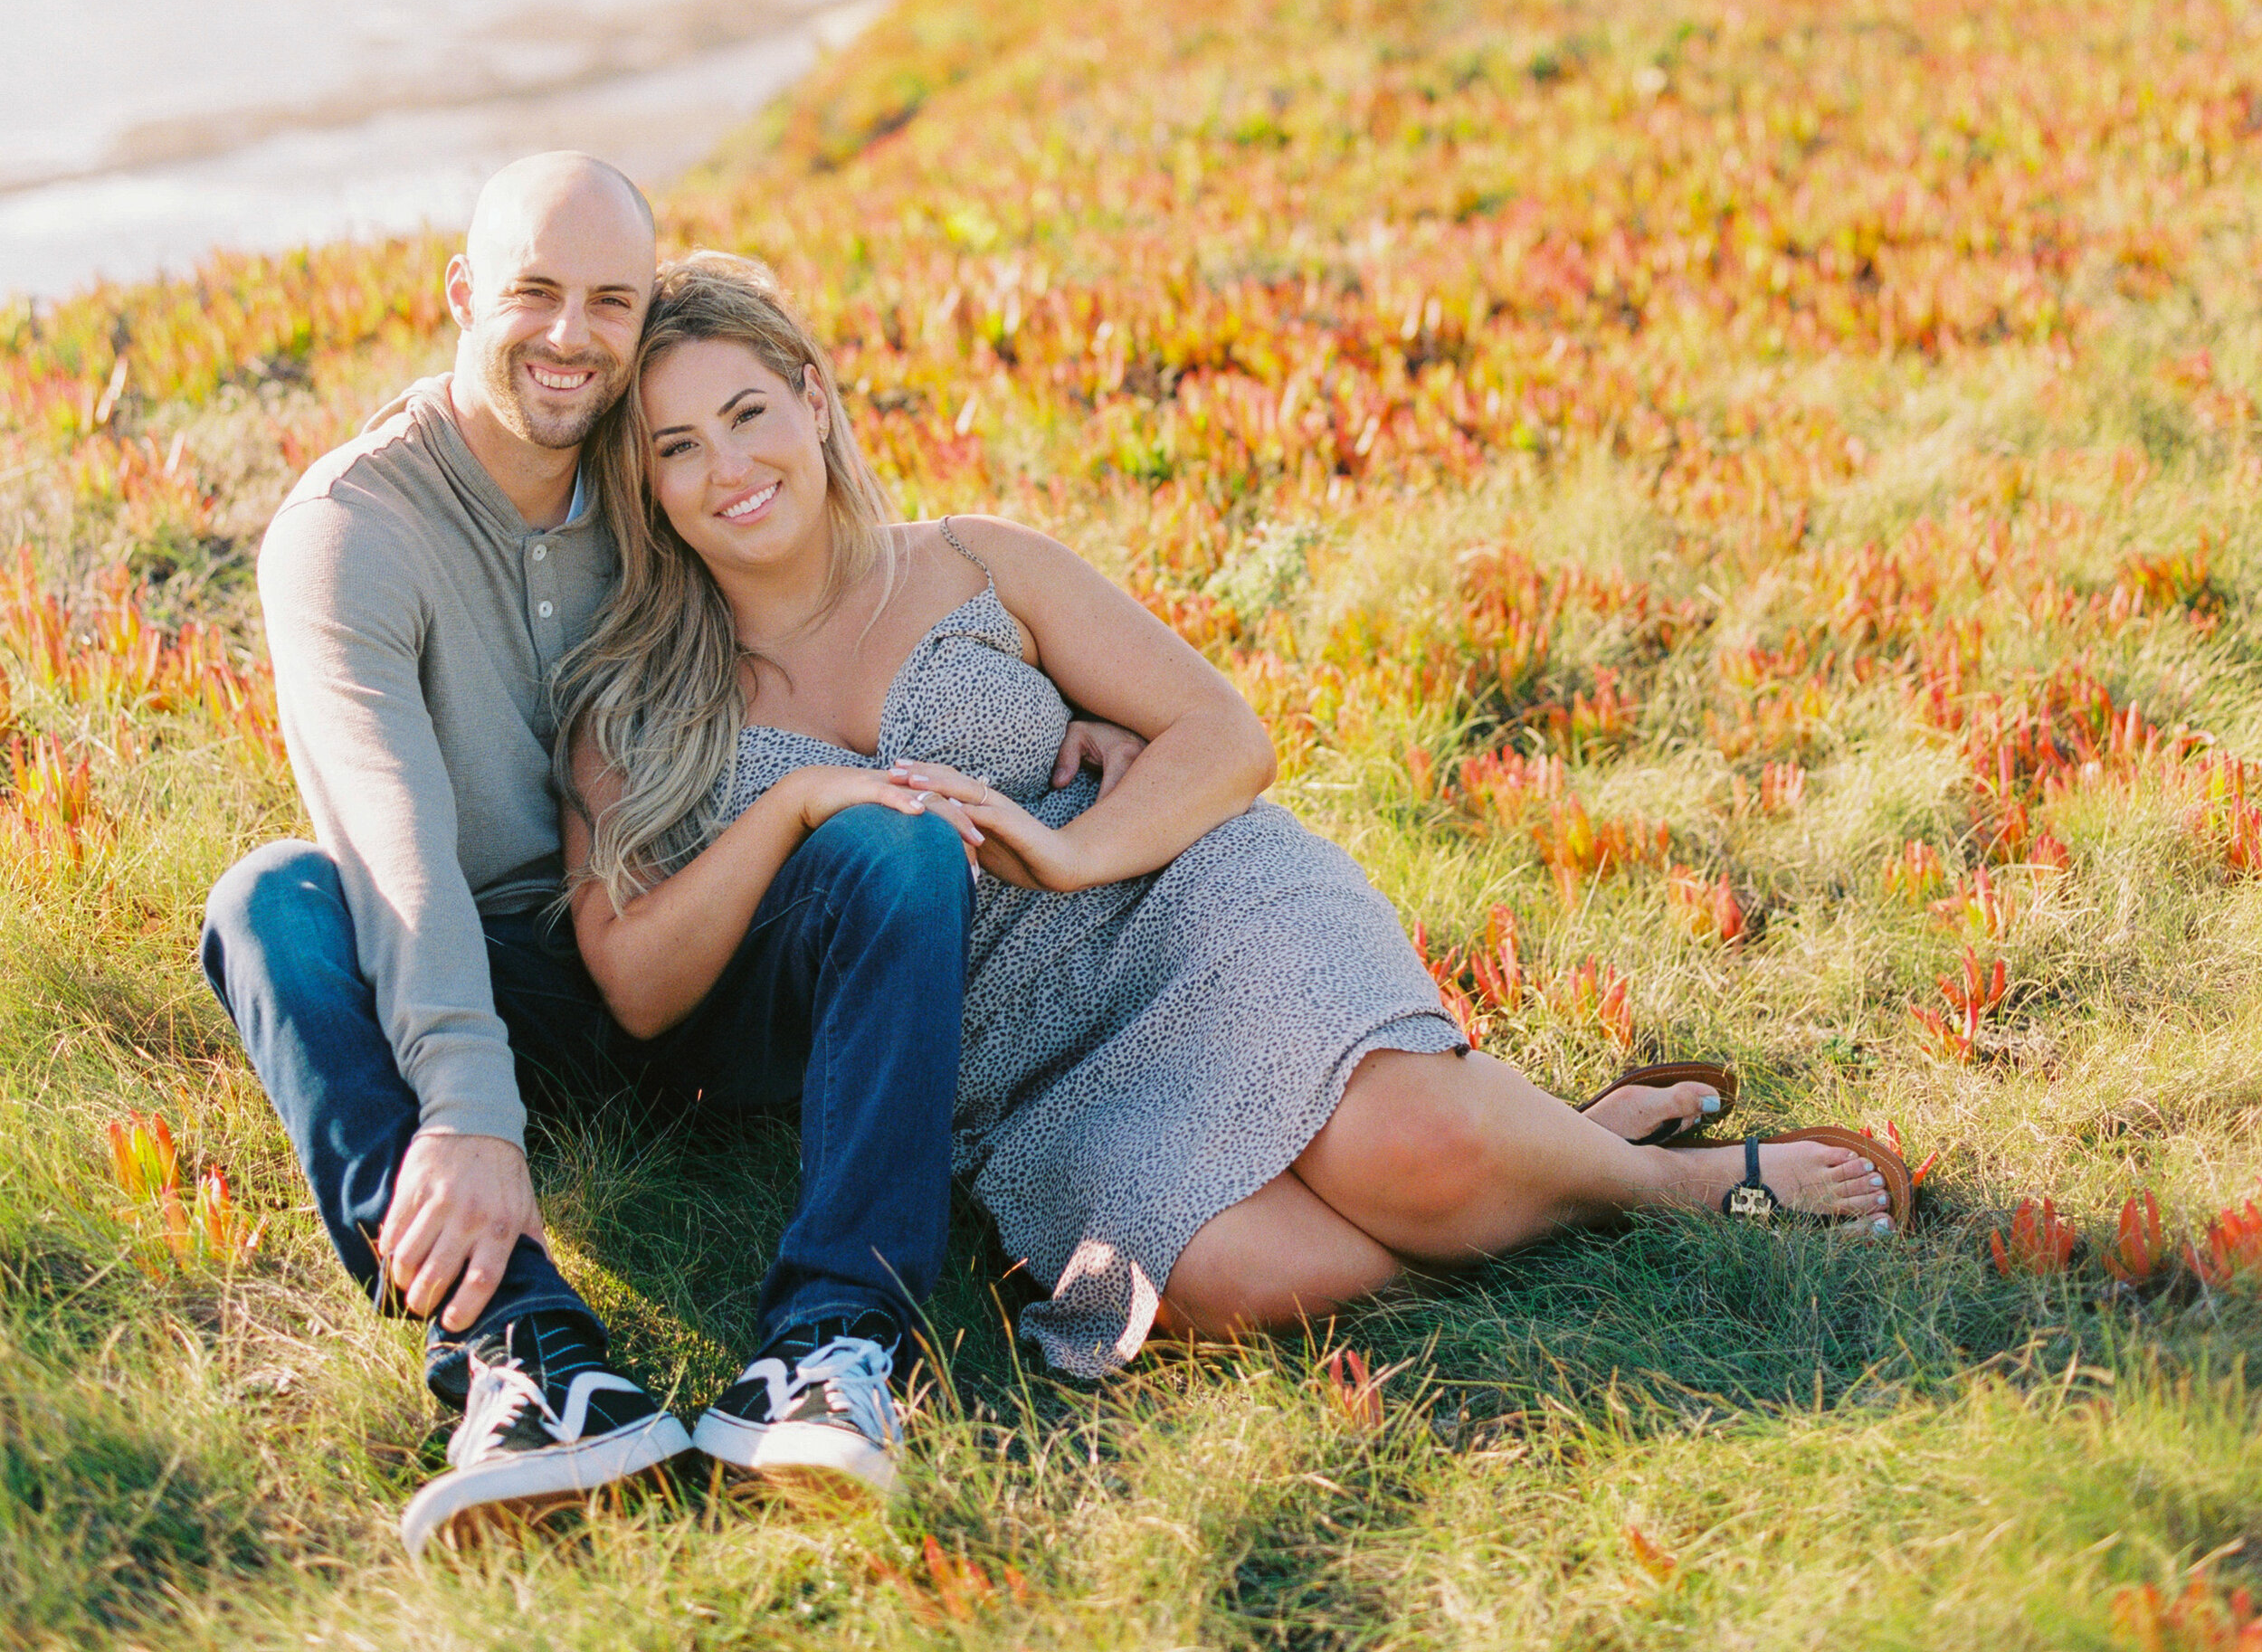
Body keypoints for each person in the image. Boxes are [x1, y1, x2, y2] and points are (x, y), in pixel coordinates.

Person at [556, 252, 1911, 1391]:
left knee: (1410, 1155)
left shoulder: (975, 559)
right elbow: (634, 984)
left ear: (811, 396)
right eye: (677, 446)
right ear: (646, 485)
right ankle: (1557, 1140)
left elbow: (1226, 735)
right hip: (1009, 1058)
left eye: (746, 413)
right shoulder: (639, 703)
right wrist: (792, 808)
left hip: (1178, 908)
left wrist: (1073, 846)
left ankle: (1652, 1183)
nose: (727, 467)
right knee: (1251, 1281)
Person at [198, 155, 1138, 1558]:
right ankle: (530, 1363)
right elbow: (393, 855)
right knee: (268, 899)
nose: (570, 337)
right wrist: (466, 1109)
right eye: (533, 293)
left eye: (610, 302)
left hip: (711, 948)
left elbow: (840, 587)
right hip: (505, 981)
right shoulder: (351, 537)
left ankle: (832, 1354)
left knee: (895, 845)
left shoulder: (659, 472)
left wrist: (1084, 714)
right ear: (460, 294)